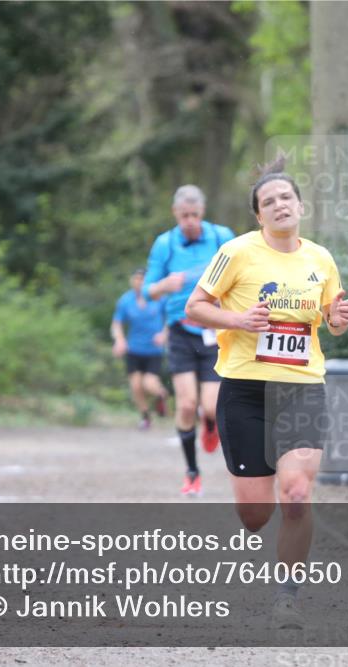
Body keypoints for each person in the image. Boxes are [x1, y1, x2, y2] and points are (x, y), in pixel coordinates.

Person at [184, 159, 348, 629]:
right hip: (245, 392)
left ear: (300, 205)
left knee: (297, 494)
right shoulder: (237, 253)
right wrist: (238, 320)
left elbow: (332, 322)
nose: (279, 205)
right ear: (258, 216)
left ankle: (287, 597)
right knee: (255, 515)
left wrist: (339, 320)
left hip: (302, 389)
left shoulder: (321, 258)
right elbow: (194, 307)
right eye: (268, 201)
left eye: (286, 197)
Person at [143, 185, 235, 496]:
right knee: (186, 404)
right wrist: (165, 285)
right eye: (184, 216)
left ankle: (210, 424)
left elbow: (242, 276)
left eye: (194, 215)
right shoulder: (165, 244)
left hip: (213, 329)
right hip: (180, 330)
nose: (190, 221)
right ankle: (192, 471)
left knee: (211, 406)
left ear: (203, 213)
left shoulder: (223, 237)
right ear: (175, 214)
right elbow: (148, 290)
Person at [112, 268, 169, 430]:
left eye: (142, 279)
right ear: (132, 281)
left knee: (149, 384)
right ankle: (145, 416)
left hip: (154, 350)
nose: (139, 282)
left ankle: (161, 395)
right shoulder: (125, 301)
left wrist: (163, 334)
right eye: (136, 279)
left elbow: (170, 319)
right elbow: (116, 324)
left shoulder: (159, 299)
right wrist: (120, 340)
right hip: (133, 350)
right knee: (136, 386)